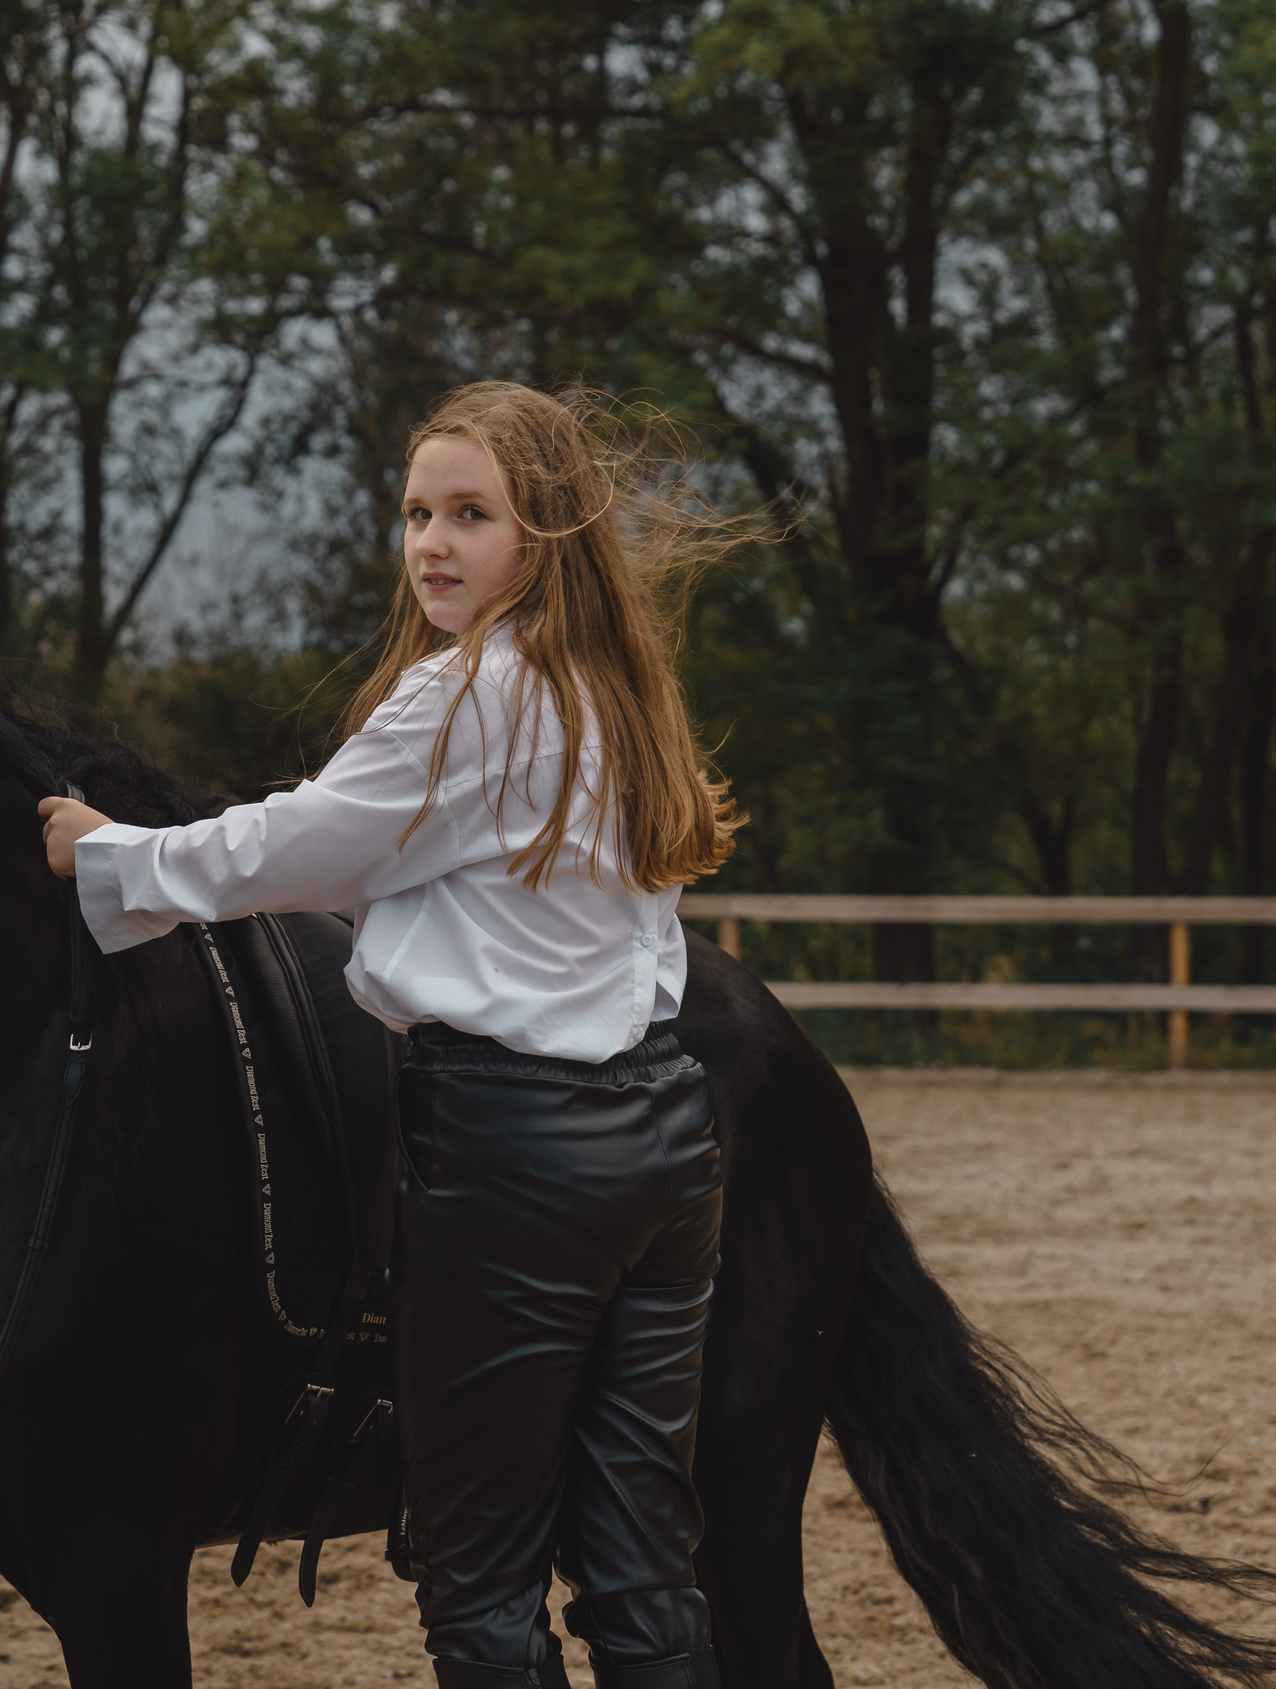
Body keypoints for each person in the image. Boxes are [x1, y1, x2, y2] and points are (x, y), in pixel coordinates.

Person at [37, 381, 747, 1689]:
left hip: (515, 1153)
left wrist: (113, 855)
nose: (431, 543)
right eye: (418, 513)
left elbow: (295, 845)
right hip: (663, 1136)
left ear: (545, 533)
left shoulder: (470, 694)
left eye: (471, 515)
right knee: (643, 1567)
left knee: (482, 1579)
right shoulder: (618, 690)